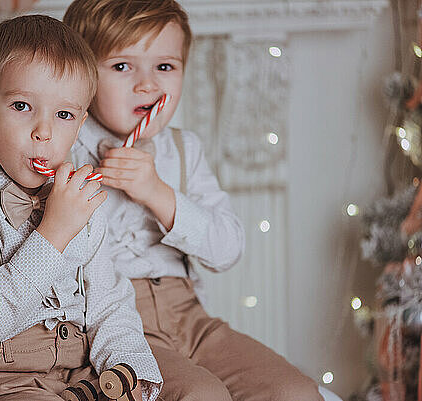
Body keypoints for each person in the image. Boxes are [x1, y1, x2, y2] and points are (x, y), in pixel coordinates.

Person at [64, 1, 324, 400]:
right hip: (113, 325)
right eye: (122, 66)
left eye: (165, 67)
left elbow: (227, 249)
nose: (148, 85)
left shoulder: (185, 150)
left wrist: (158, 193)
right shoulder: (64, 153)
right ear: (81, 74)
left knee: (296, 391)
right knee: (201, 395)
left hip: (191, 318)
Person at [0, 14, 162, 401]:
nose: (43, 131)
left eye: (63, 115)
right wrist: (55, 231)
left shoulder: (80, 199)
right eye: (22, 105)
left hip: (71, 371)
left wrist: (130, 366)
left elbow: (109, 302)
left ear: (80, 124)